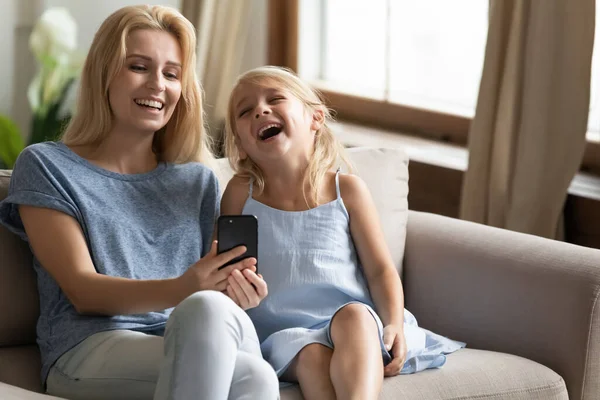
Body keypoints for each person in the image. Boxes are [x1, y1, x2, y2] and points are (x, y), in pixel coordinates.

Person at [0, 5, 279, 400]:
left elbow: (203, 302)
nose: (157, 86)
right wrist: (186, 288)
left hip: (187, 338)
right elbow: (83, 290)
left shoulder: (196, 181)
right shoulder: (47, 165)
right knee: (239, 359)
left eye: (171, 73)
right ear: (104, 73)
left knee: (251, 366)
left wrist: (232, 291)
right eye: (138, 67)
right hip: (89, 348)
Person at [221, 66, 466, 399]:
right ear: (241, 144)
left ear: (315, 119)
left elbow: (380, 270)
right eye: (245, 111)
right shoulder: (239, 192)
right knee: (309, 356)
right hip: (282, 331)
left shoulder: (347, 190)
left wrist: (393, 322)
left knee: (354, 315)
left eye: (275, 99)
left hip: (351, 324)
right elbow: (226, 270)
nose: (260, 110)